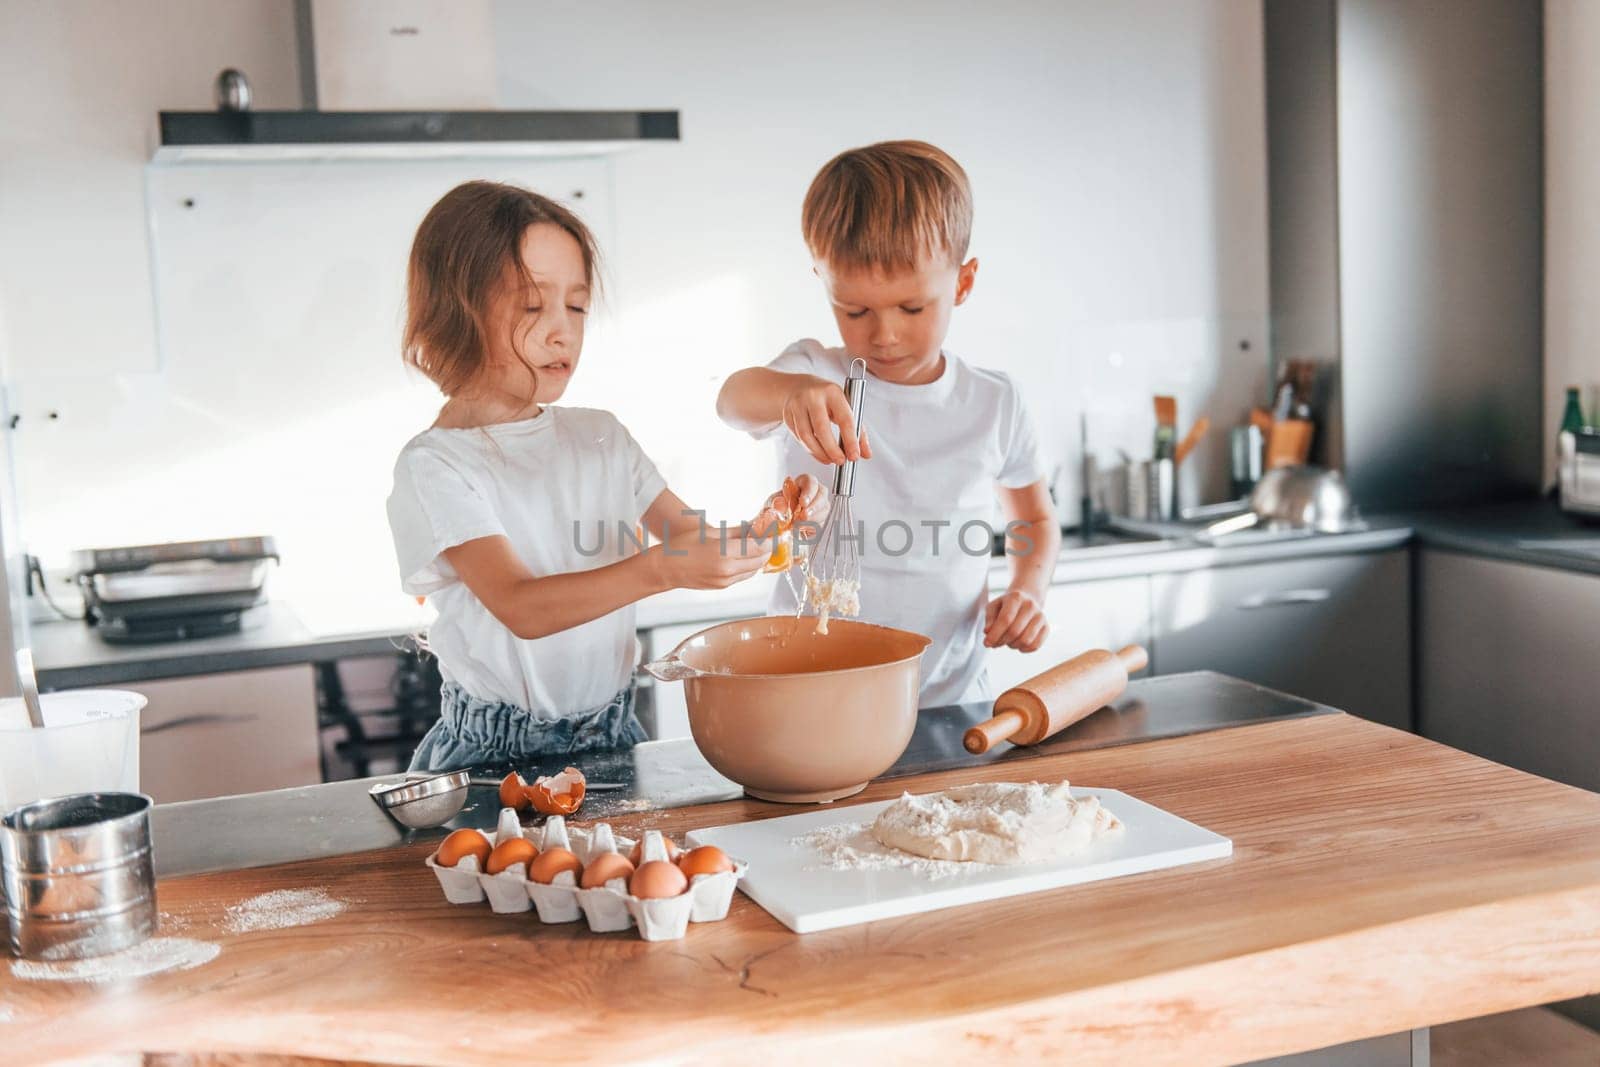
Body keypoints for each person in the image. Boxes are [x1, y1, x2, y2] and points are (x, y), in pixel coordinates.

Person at [388, 180, 818, 770]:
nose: (563, 329)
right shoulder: (437, 463)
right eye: (533, 305)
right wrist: (664, 568)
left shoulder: (601, 436)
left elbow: (690, 540)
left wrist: (775, 522)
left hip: (612, 738)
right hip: (492, 759)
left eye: (577, 305)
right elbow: (523, 607)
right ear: (454, 310)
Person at [716, 141, 1060, 707]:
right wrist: (789, 394)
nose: (884, 335)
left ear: (963, 283)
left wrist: (1029, 590)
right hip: (812, 694)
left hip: (949, 699)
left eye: (913, 308)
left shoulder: (995, 402)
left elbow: (1035, 519)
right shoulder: (813, 372)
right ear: (824, 285)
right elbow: (731, 400)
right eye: (854, 311)